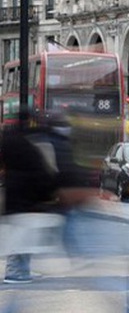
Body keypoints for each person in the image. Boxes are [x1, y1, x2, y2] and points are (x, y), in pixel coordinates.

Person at [1, 113, 59, 284]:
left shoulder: (12, 143)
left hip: (15, 197)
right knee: (20, 236)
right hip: (24, 199)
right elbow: (41, 173)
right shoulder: (30, 147)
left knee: (21, 236)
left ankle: (20, 269)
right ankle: (15, 272)